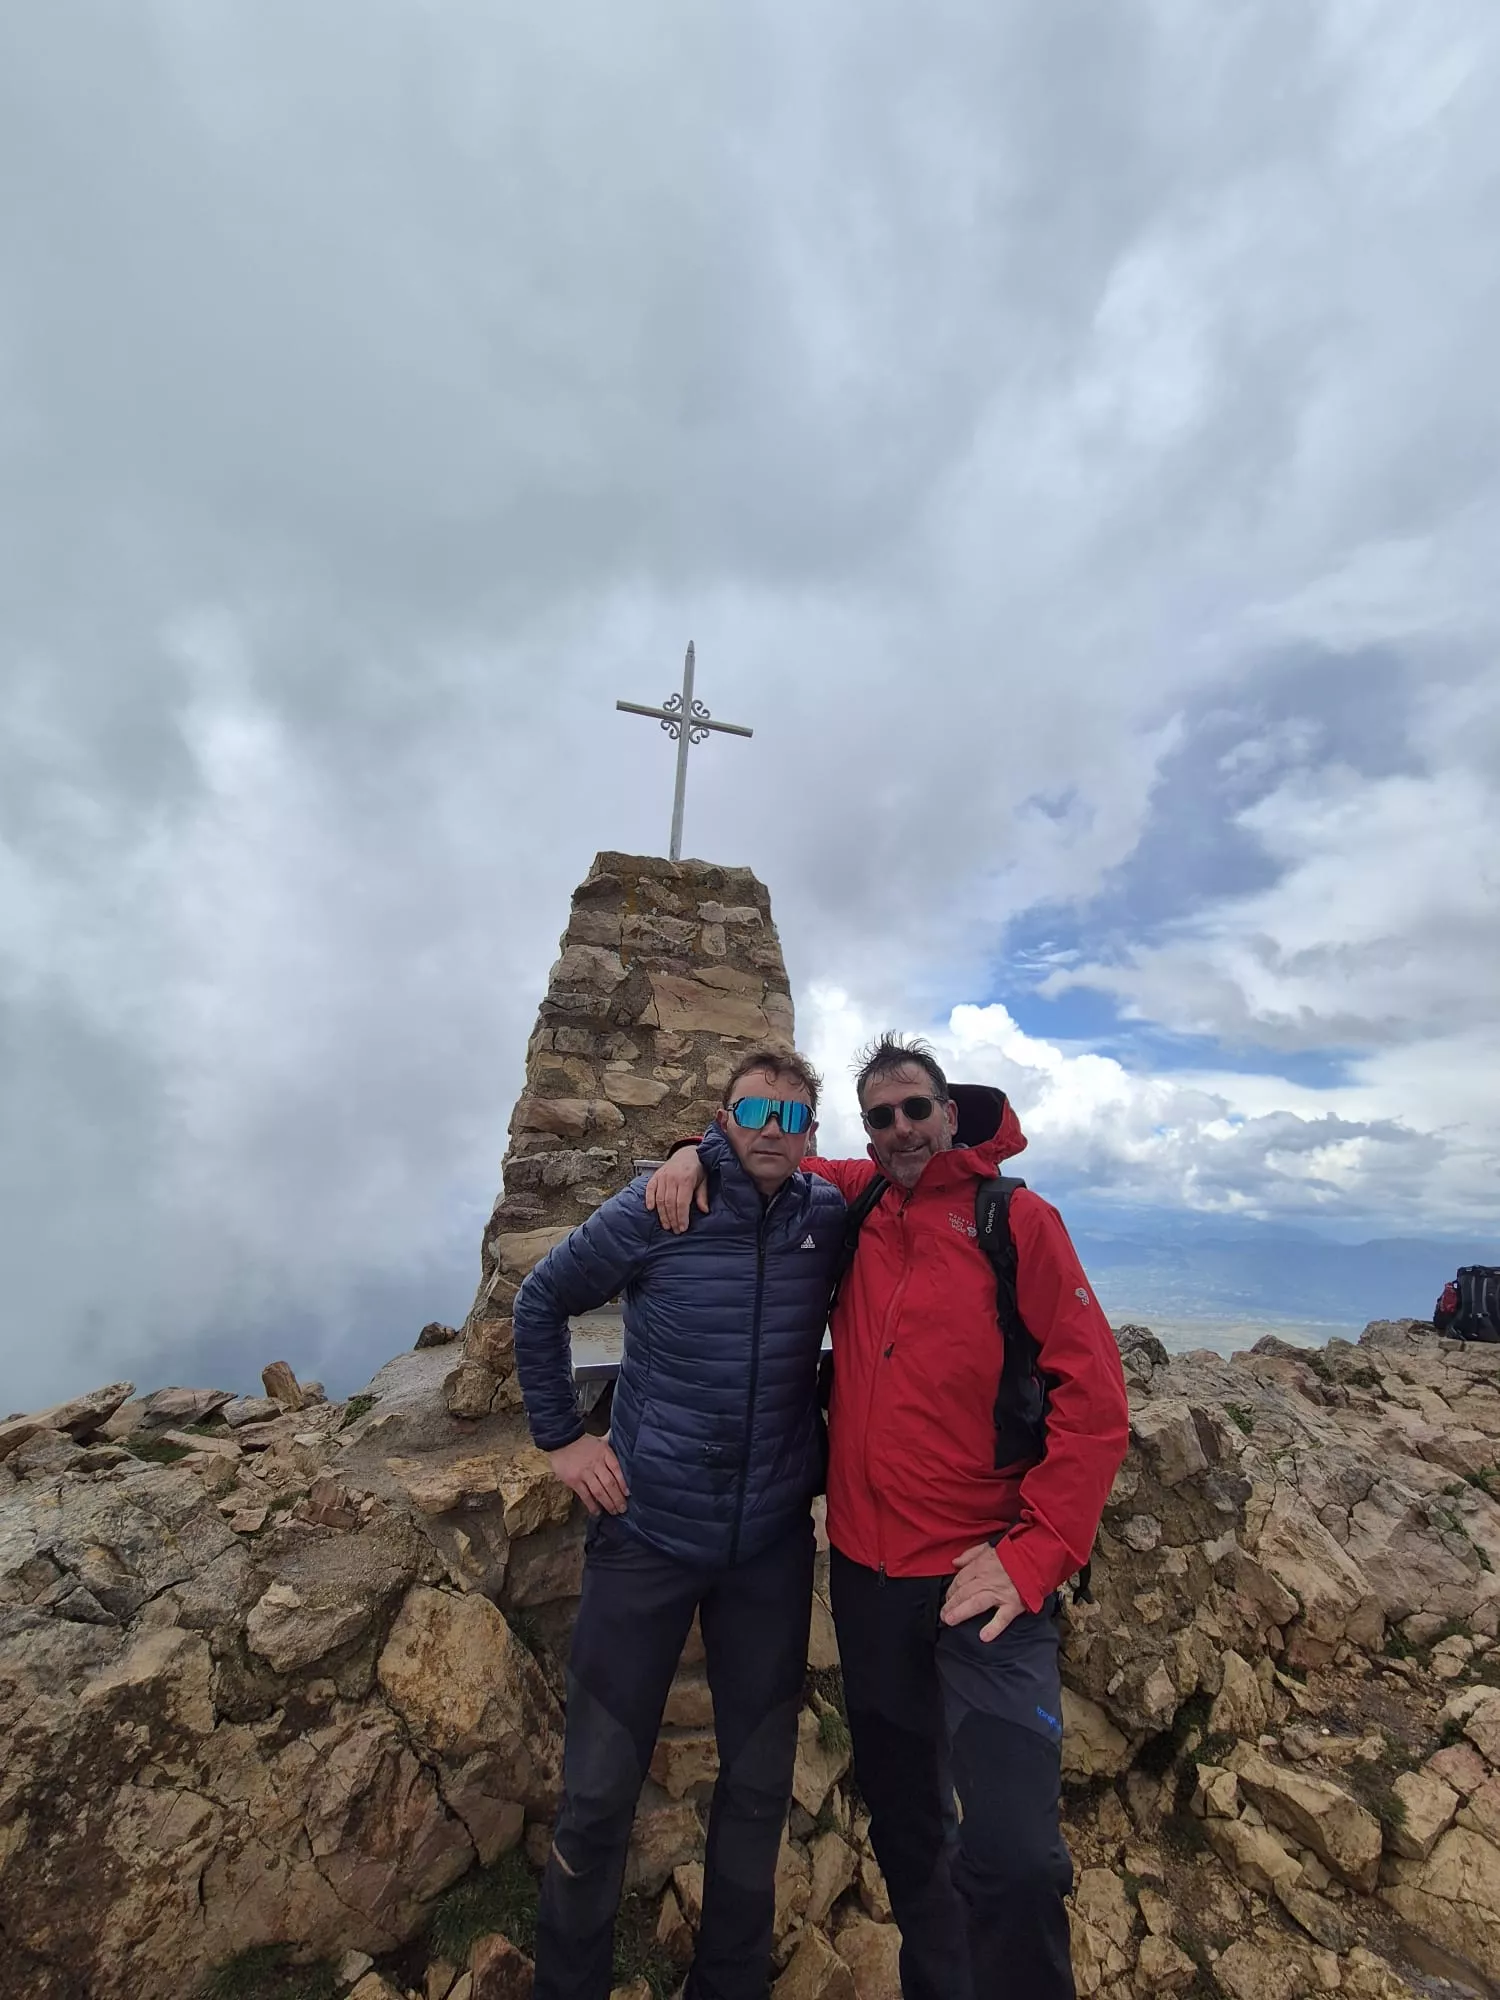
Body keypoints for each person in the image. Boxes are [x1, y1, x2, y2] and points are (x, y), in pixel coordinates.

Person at [648, 1034, 1130, 2000]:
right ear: (865, 1133)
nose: (901, 1128)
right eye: (882, 1116)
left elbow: (1097, 1400)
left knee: (1016, 1856)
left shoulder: (1016, 1222)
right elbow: (765, 1148)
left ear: (950, 1114)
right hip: (868, 1581)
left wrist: (1037, 1555)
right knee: (912, 1837)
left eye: (917, 1109)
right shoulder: (858, 1198)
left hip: (983, 1585)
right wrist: (694, 1150)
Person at [512, 1048, 845, 2000]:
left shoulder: (828, 1217)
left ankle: (728, 1984)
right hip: (647, 1537)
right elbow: (541, 1302)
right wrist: (563, 1443)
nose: (770, 1133)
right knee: (597, 1791)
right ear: (723, 1116)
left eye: (791, 1119)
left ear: (811, 1133)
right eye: (753, 1113)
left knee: (755, 1784)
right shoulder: (659, 1206)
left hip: (769, 1549)